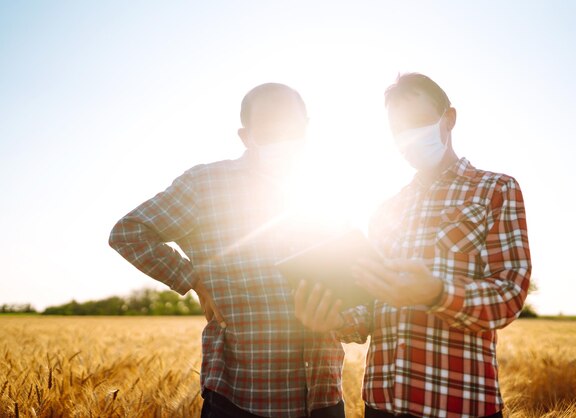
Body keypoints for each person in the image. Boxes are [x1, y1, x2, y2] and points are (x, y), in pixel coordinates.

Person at [295, 73, 531, 418]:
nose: (409, 137)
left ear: (448, 118)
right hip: (380, 404)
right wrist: (333, 320)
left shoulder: (495, 189)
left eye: (419, 122)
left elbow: (510, 294)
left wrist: (436, 294)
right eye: (398, 130)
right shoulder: (387, 209)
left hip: (457, 405)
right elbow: (371, 307)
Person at [109, 83, 345, 418]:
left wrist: (341, 316)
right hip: (240, 396)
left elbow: (354, 291)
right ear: (246, 136)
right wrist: (191, 278)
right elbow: (128, 232)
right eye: (269, 126)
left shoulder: (327, 191)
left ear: (306, 129)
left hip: (321, 395)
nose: (283, 136)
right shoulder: (205, 185)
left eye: (291, 126)